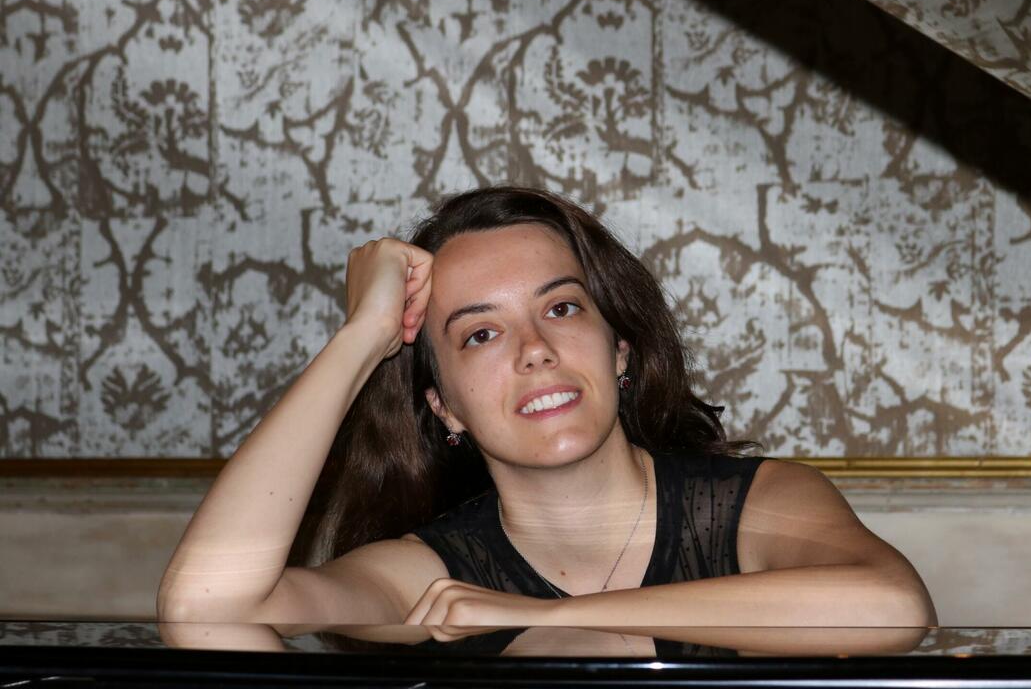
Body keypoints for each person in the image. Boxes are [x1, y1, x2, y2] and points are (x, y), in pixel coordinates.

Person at [157, 186, 935, 652]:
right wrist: (363, 336)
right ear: (443, 406)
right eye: (480, 334)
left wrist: (539, 616)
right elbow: (205, 609)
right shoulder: (430, 575)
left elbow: (893, 608)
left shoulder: (758, 505)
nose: (535, 350)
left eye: (561, 308)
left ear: (619, 349)